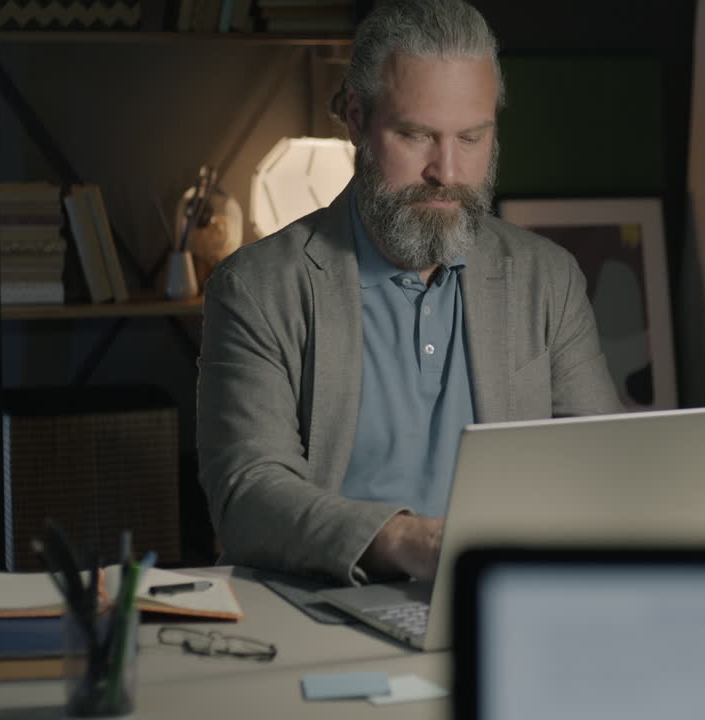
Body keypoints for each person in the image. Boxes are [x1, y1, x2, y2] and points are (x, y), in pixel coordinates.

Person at [196, 0, 621, 586]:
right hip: (323, 606)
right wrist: (405, 542)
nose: (447, 171)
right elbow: (247, 495)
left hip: (502, 596)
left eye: (471, 137)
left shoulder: (549, 279)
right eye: (417, 135)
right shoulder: (257, 288)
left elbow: (603, 469)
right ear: (356, 120)